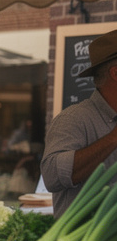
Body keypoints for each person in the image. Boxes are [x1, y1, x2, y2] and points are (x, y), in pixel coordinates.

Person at [42, 28, 117, 216]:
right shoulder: (73, 119)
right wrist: (113, 138)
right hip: (86, 236)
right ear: (115, 73)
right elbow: (51, 176)